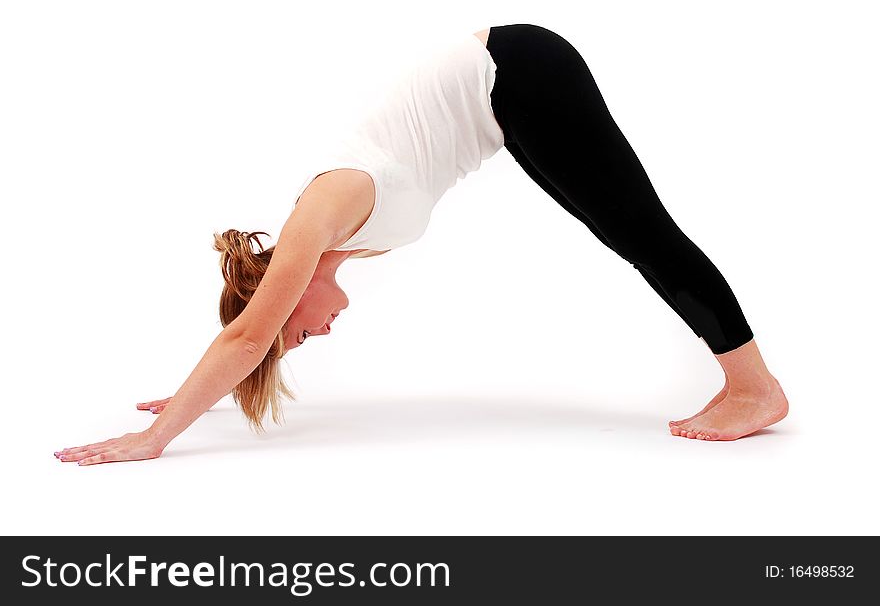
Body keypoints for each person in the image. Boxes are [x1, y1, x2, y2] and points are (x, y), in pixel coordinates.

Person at [55, 23, 788, 466]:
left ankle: (755, 390)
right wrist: (189, 395)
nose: (319, 331)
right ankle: (746, 382)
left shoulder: (319, 214)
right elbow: (250, 335)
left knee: (644, 234)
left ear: (285, 291)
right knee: (628, 233)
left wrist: (154, 440)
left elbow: (249, 335)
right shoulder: (334, 241)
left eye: (300, 331)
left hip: (517, 73)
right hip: (509, 102)